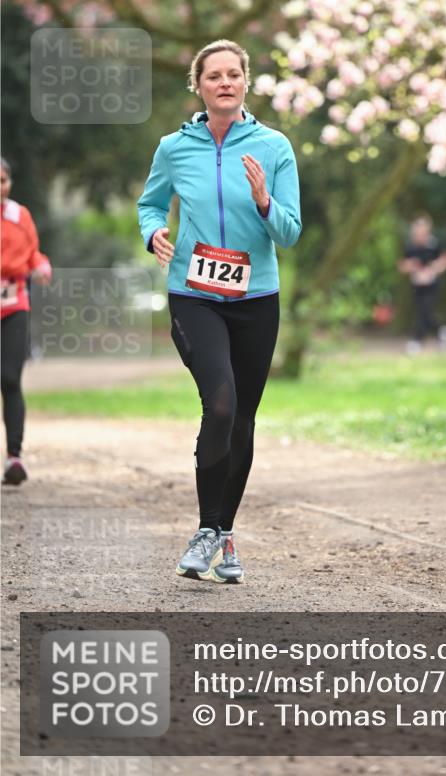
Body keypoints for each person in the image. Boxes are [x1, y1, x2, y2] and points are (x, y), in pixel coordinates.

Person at [137, 39, 301, 584]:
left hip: (257, 299)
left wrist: (263, 201)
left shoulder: (274, 147)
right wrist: (154, 232)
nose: (225, 82)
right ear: (198, 85)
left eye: (234, 74)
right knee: (222, 404)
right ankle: (207, 530)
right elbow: (150, 203)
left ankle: (225, 532)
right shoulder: (173, 148)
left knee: (245, 418)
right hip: (194, 293)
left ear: (246, 82)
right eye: (214, 76)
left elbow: (290, 231)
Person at [1, 157, 52, 485]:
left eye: (3, 180)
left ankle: (14, 458)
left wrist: (42, 265)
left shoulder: (20, 216)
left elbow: (34, 252)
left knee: (8, 377)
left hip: (14, 302)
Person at [398, 214, 446, 354]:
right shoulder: (410, 246)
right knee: (425, 314)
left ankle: (416, 342)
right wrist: (410, 266)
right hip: (417, 285)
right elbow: (402, 265)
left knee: (425, 311)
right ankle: (443, 332)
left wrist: (434, 268)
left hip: (432, 284)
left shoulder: (435, 244)